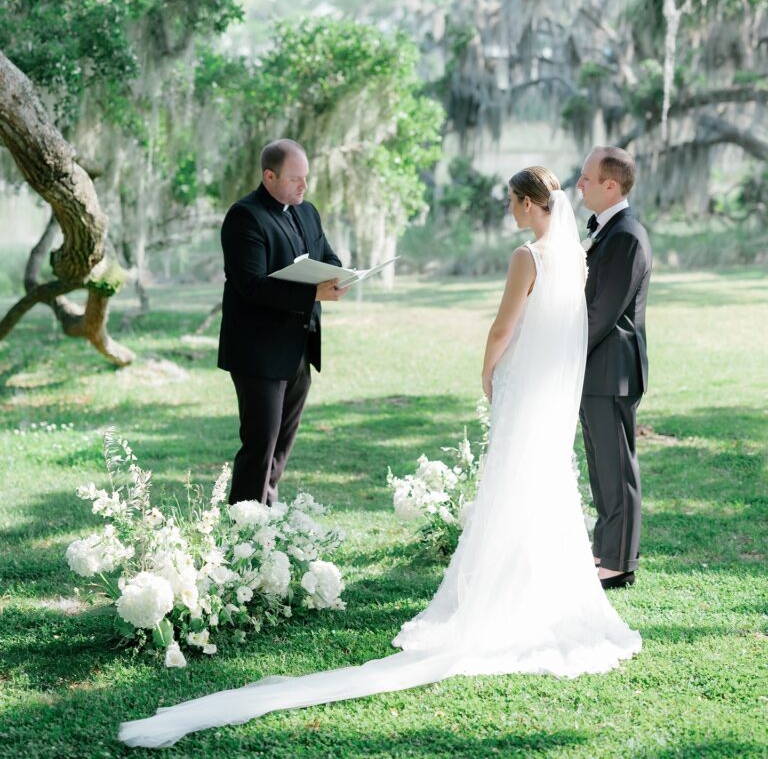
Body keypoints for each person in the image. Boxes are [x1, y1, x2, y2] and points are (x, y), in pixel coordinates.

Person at [119, 166, 640, 749]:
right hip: (551, 391)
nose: (511, 211)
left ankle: (500, 596)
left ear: (527, 202)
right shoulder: (574, 254)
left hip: (522, 383)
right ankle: (543, 589)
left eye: (513, 202)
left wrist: (488, 367)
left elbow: (502, 327)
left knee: (511, 485)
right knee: (545, 487)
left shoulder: (529, 257)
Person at [217, 138, 347, 507]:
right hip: (258, 350)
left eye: (306, 178)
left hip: (299, 347)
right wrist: (313, 294)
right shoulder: (245, 217)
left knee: (281, 446)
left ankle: (266, 516)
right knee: (260, 444)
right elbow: (252, 285)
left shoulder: (307, 212)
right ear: (269, 176)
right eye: (295, 179)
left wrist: (340, 276)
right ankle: (242, 528)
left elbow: (328, 255)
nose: (304, 186)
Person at [576, 147, 652, 590]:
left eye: (587, 178)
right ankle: (605, 550)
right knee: (601, 467)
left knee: (616, 467)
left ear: (611, 185)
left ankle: (619, 561)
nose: (580, 184)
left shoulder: (625, 235)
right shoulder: (608, 231)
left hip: (611, 370)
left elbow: (601, 313)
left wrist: (559, 354)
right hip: (596, 370)